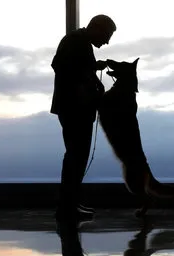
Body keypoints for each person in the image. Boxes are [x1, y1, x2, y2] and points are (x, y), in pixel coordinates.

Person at [51, 14, 117, 221]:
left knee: (76, 157)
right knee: (76, 157)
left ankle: (69, 204)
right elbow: (64, 68)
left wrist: (91, 68)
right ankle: (66, 208)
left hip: (73, 108)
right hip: (75, 109)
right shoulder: (76, 42)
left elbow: (68, 67)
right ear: (96, 28)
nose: (106, 41)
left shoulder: (77, 42)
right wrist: (89, 86)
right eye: (106, 35)